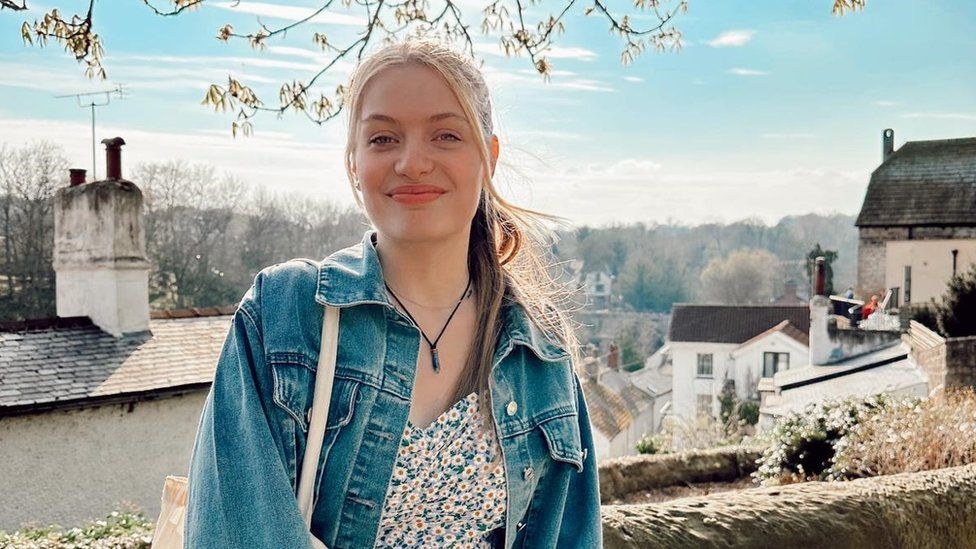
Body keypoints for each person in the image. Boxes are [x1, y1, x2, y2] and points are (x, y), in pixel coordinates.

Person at [184, 37, 603, 548]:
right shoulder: (283, 316)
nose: (412, 162)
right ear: (352, 163)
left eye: (446, 135)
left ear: (488, 156)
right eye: (383, 139)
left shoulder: (539, 347)